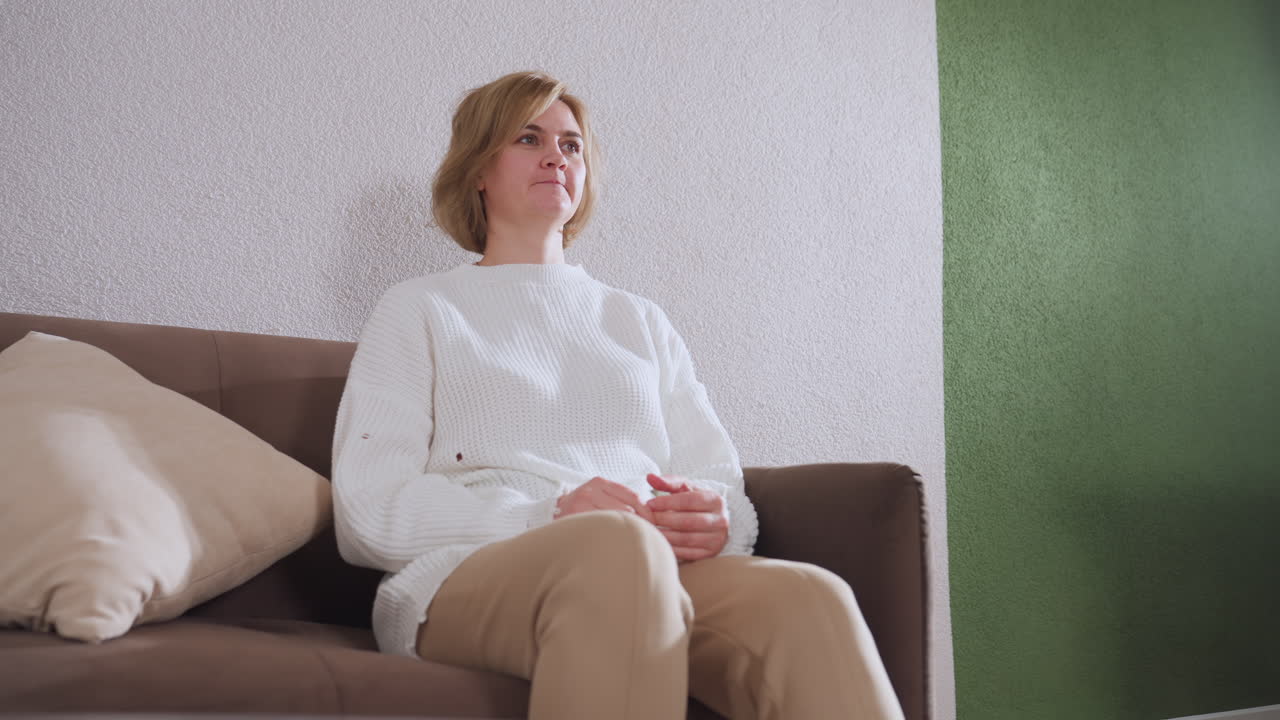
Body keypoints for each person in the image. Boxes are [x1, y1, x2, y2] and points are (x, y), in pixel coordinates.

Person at [331, 70, 905, 720]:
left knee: (808, 594)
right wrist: (547, 514)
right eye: (528, 137)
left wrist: (717, 522)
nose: (556, 155)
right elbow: (367, 513)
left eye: (571, 145)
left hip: (650, 568)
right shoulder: (419, 309)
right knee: (615, 550)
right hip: (467, 576)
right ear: (478, 171)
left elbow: (718, 482)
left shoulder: (640, 322)